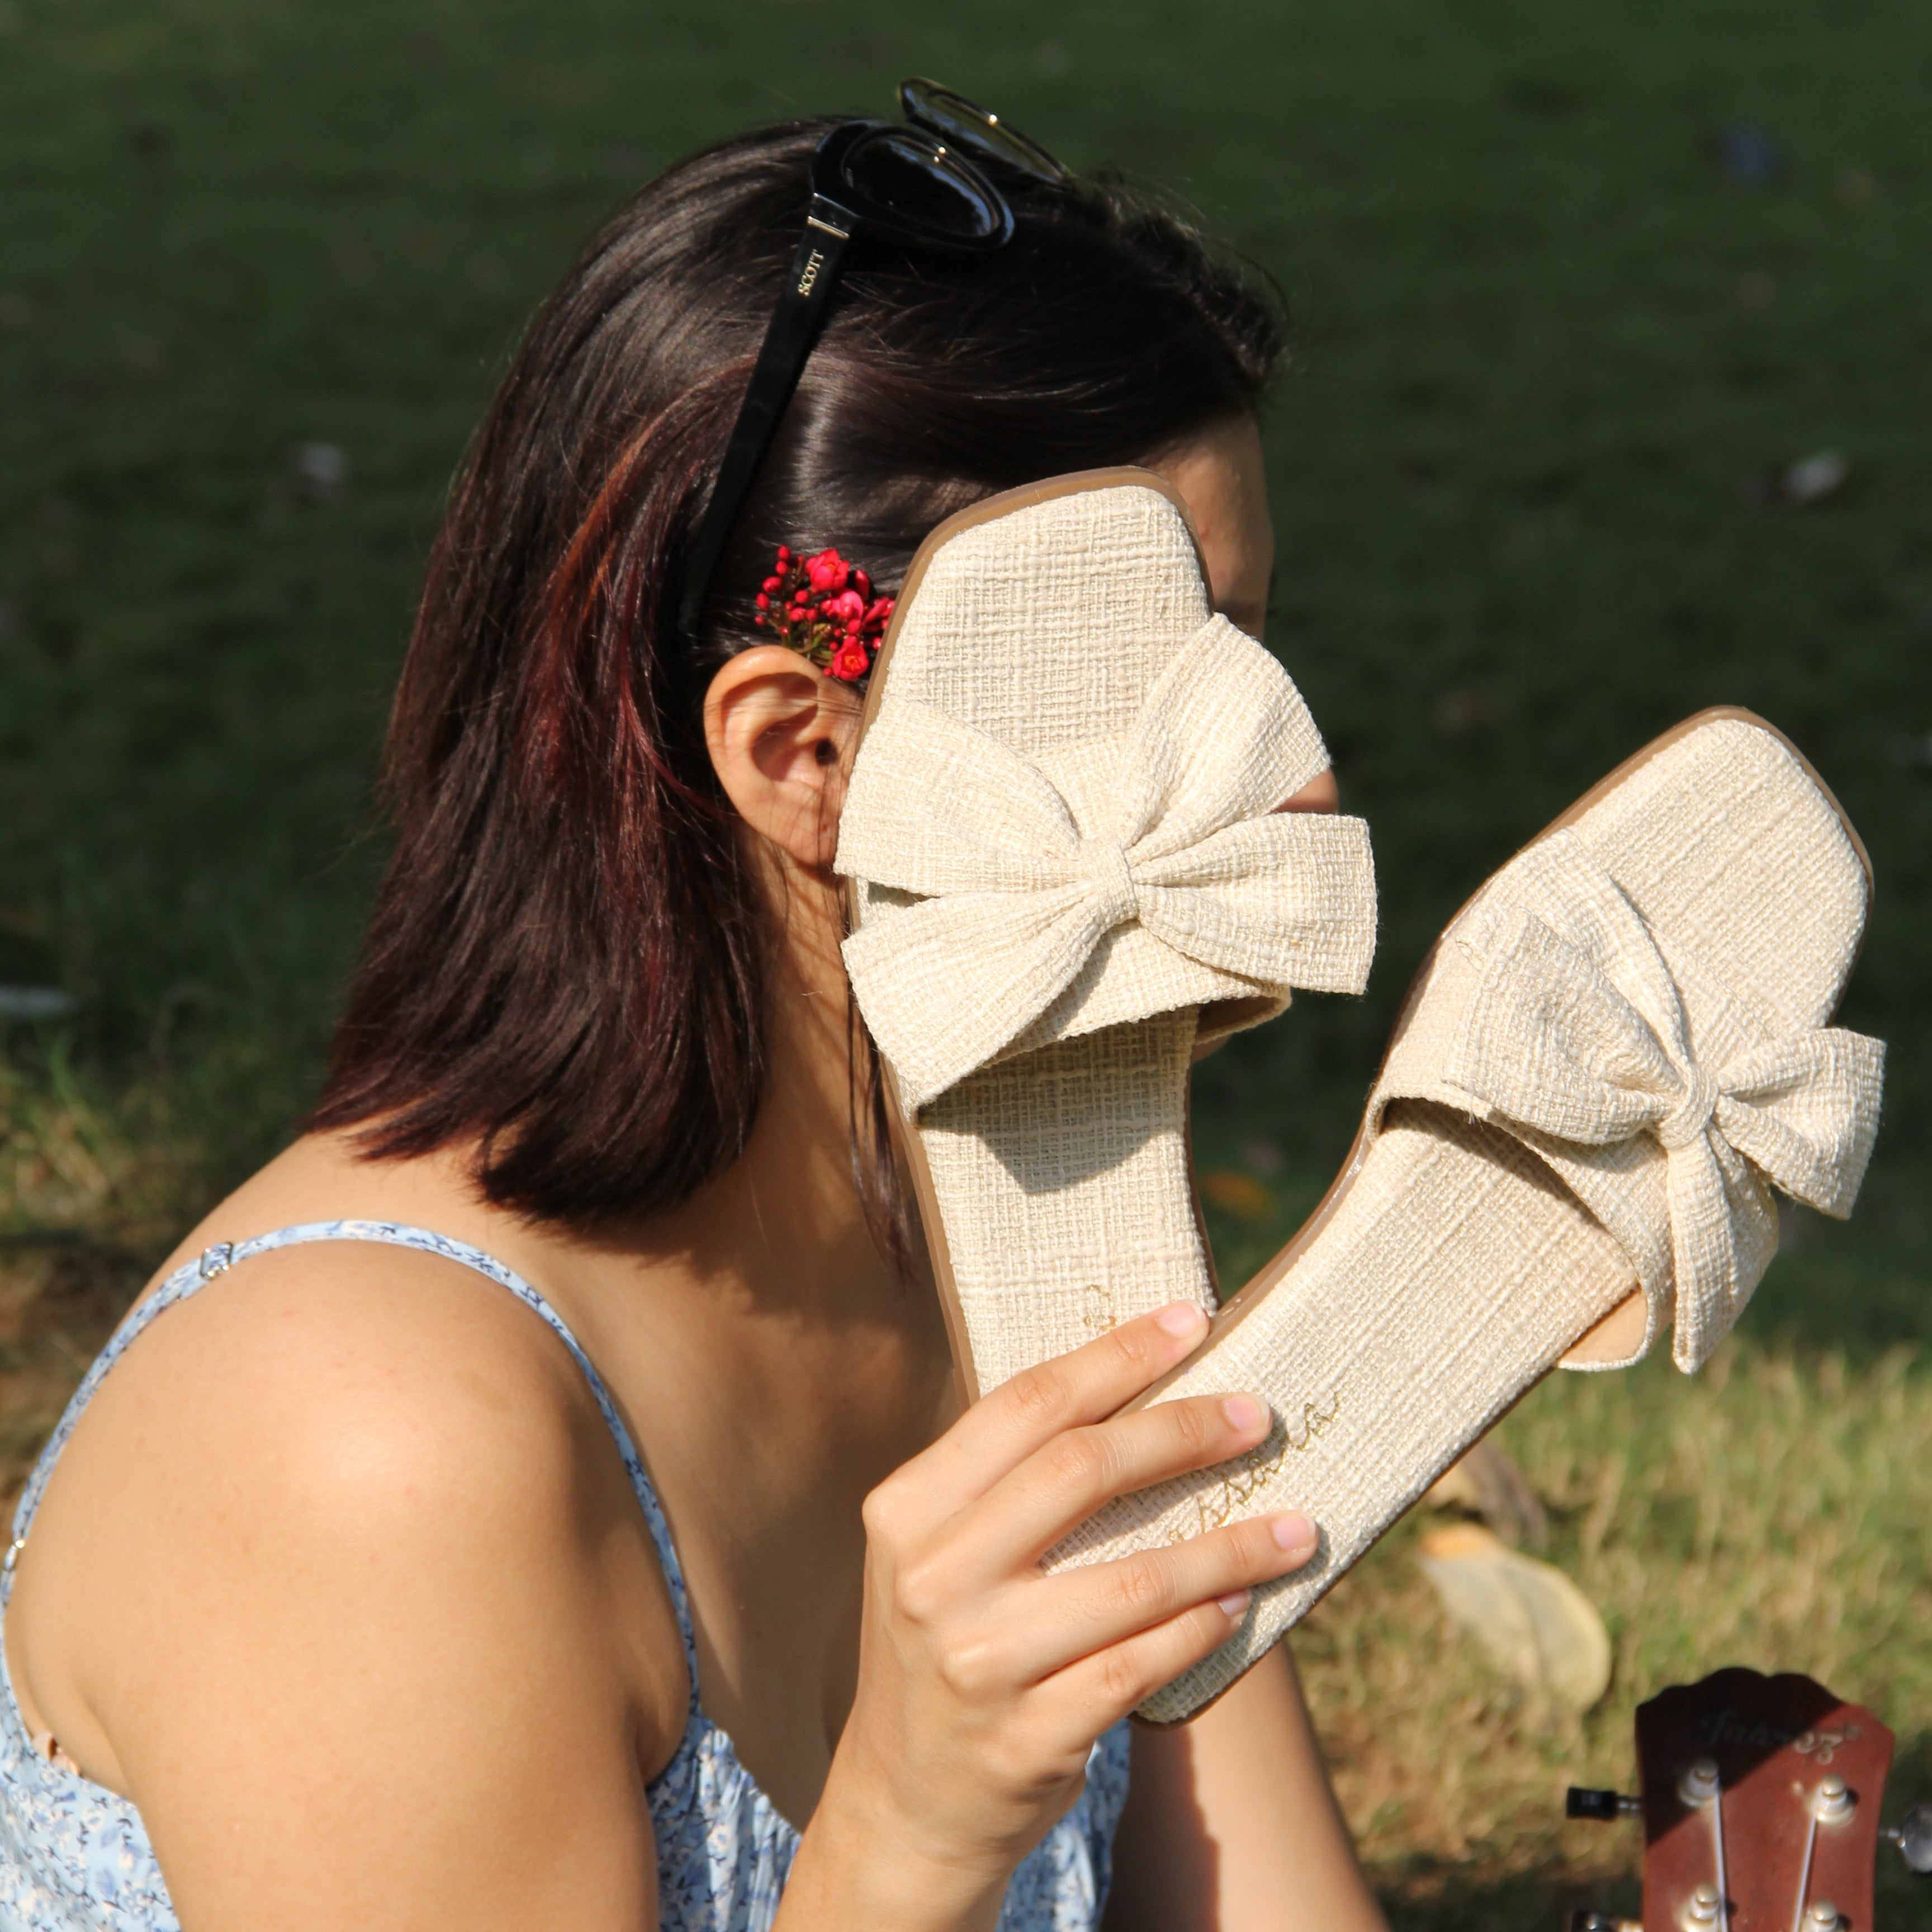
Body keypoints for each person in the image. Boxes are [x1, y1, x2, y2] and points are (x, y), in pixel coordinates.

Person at [0, 110, 1386, 1932]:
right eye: (1179, 687)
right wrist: (912, 1834)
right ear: (803, 754)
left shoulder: (1012, 1236)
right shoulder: (371, 1437)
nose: (1301, 790)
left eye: (1262, 665)